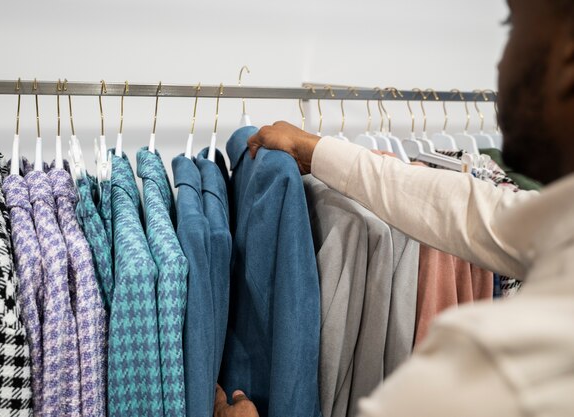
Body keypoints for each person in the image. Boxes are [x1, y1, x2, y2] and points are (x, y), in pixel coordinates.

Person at [213, 0, 574, 416]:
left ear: (567, 52)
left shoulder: (495, 375)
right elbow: (473, 211)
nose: (499, 64)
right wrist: (320, 152)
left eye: (513, 25)